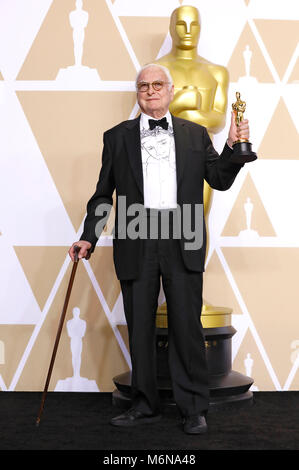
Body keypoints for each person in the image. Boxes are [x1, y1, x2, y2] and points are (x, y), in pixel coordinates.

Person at [68, 63, 250, 434]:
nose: (150, 91)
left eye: (157, 85)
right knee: (140, 326)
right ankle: (145, 404)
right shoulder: (116, 137)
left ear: (169, 91)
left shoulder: (196, 134)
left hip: (183, 237)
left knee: (186, 326)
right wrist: (89, 235)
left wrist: (232, 146)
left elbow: (218, 179)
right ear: (138, 93)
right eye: (143, 86)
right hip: (136, 238)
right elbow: (104, 194)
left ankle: (193, 408)